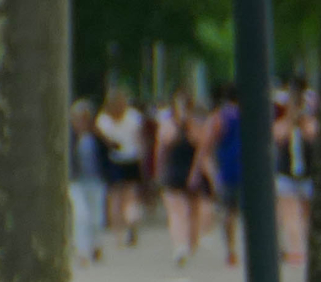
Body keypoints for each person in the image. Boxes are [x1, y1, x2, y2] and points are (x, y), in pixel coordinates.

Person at [156, 86, 204, 265]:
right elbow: (161, 149)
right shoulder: (168, 125)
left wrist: (197, 172)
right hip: (173, 171)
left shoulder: (195, 126)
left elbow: (201, 149)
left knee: (193, 212)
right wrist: (158, 172)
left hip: (189, 170)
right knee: (177, 212)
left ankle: (190, 243)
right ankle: (180, 246)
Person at [95, 84, 146, 246]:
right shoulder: (134, 117)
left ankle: (118, 235)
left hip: (114, 160)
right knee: (131, 196)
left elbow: (105, 141)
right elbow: (140, 140)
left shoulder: (103, 119)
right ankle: (132, 221)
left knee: (115, 199)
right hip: (132, 159)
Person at [275, 84, 317, 264]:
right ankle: (296, 248)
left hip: (307, 174)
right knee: (289, 213)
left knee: (308, 214)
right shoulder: (282, 124)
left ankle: (307, 247)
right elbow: (278, 136)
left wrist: (303, 119)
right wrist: (291, 119)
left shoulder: (310, 123)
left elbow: (312, 135)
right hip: (287, 174)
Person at [206, 82, 243, 268]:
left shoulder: (220, 117)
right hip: (250, 168)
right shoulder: (253, 114)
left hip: (228, 168)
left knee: (229, 211)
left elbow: (209, 143)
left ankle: (231, 250)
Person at [67, 101, 106, 265]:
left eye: (85, 118)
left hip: (96, 181)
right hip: (76, 182)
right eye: (78, 118)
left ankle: (95, 245)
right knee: (82, 216)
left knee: (96, 218)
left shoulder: (96, 136)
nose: (81, 121)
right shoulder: (69, 138)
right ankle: (82, 252)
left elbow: (109, 154)